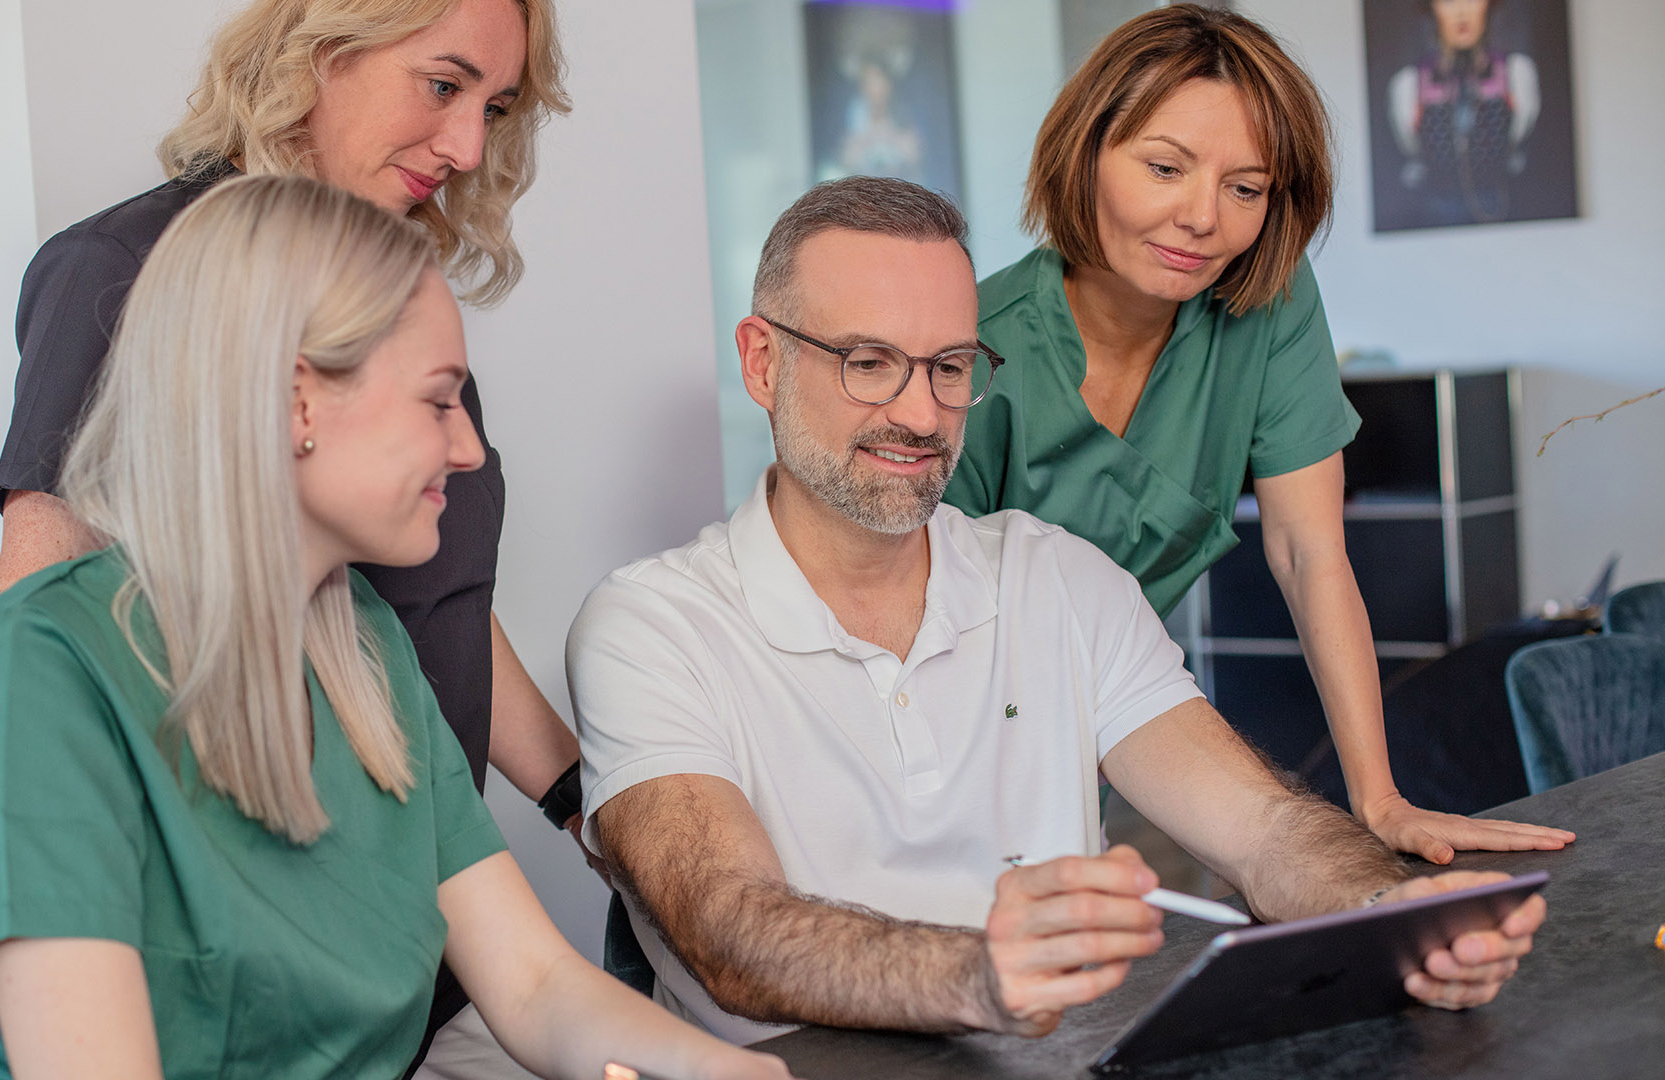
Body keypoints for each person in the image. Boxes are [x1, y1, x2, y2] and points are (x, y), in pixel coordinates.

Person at [0, 1, 594, 1071]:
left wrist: (582, 801)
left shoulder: (382, 298)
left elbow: (442, 609)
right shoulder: (130, 271)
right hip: (240, 971)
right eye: (443, 86)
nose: (470, 145)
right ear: (317, 53)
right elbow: (28, 616)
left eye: (497, 106)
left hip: (406, 936)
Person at [568, 176, 1545, 1045]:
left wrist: (1399, 912)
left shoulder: (1057, 581)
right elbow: (729, 928)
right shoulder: (652, 626)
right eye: (869, 362)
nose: (920, 415)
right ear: (763, 362)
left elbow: (1268, 833)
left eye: (950, 367)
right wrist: (978, 974)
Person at [0, 174, 789, 1080]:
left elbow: (536, 986)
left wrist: (735, 1074)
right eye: (438, 400)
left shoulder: (365, 652)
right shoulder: (42, 671)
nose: (470, 450)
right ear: (298, 402)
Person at [941, 4, 1571, 865]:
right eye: (1166, 167)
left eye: (1246, 187)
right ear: (1085, 152)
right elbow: (916, 613)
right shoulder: (972, 343)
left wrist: (1378, 800)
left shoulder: (1265, 304)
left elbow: (1310, 555)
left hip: (1091, 739)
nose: (1206, 219)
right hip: (939, 734)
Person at [1387, 0, 1540, 224]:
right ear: (1432, 9)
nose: (1461, 12)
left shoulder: (1515, 73)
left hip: (1506, 212)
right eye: (1448, 2)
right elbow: (1412, 153)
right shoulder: (1409, 85)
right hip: (1435, 219)